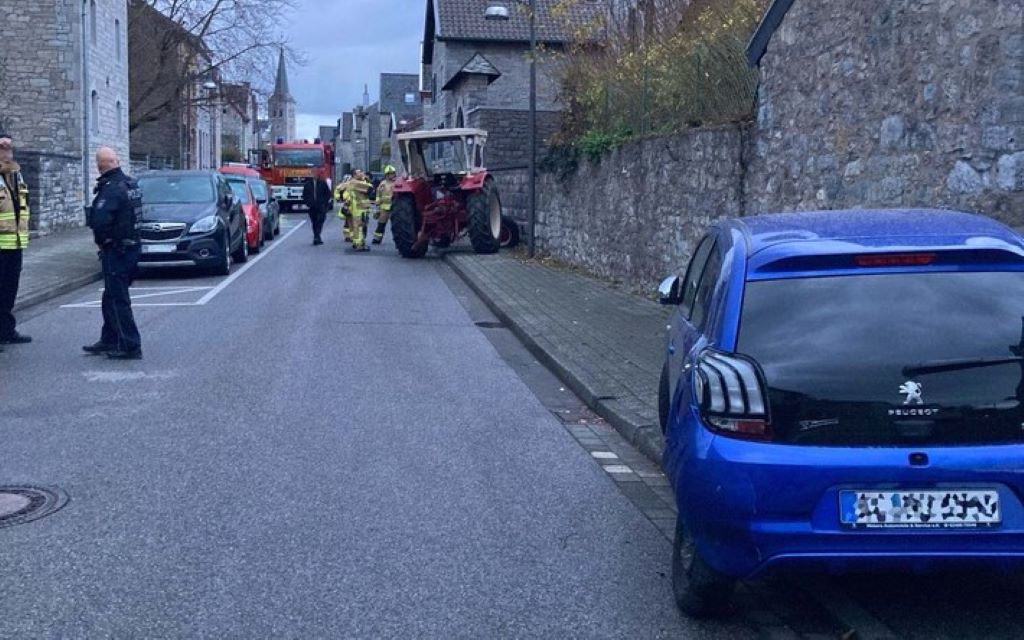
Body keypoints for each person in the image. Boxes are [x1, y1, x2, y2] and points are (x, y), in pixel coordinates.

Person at [83, 147, 143, 359]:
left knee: (118, 299)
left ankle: (130, 345)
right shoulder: (130, 184)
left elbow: (99, 221)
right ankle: (109, 338)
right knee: (110, 297)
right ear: (116, 162)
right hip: (132, 247)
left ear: (101, 165)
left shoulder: (112, 189)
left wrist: (102, 242)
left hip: (117, 250)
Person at [0, 132, 32, 350]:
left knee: (9, 290)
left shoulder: (16, 175)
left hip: (15, 242)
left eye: (9, 148)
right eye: (2, 148)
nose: (7, 152)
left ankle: (6, 331)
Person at [341, 170, 373, 252]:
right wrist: (366, 179)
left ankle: (356, 242)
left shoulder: (353, 182)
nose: (362, 173)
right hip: (360, 208)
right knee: (360, 227)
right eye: (360, 172)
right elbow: (370, 189)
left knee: (357, 226)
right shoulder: (356, 183)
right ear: (354, 175)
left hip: (358, 208)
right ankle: (359, 244)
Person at [302, 176, 332, 245]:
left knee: (321, 220)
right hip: (312, 206)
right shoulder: (307, 184)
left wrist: (325, 203)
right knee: (314, 221)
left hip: (321, 205)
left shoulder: (322, 183)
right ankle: (316, 236)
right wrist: (308, 203)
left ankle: (317, 235)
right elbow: (304, 195)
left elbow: (328, 193)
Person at [372, 165, 397, 245]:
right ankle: (377, 239)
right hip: (384, 207)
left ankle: (398, 241)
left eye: (393, 173)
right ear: (387, 175)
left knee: (396, 226)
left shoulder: (397, 183)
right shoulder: (383, 184)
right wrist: (377, 207)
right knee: (381, 224)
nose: (393, 175)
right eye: (391, 174)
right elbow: (378, 195)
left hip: (395, 207)